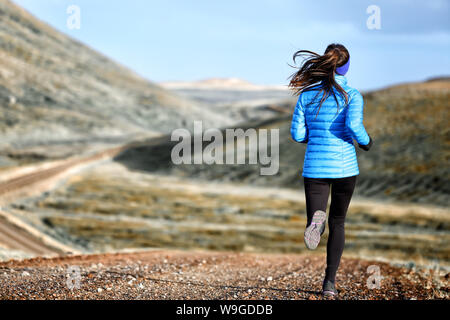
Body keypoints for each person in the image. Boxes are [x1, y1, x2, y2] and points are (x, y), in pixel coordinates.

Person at [288, 43, 373, 297]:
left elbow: (297, 133)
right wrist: (367, 142)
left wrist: (312, 140)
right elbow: (354, 126)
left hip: (315, 166)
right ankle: (329, 283)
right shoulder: (353, 95)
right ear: (346, 67)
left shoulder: (307, 95)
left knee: (318, 214)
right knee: (339, 222)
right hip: (345, 166)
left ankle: (316, 220)